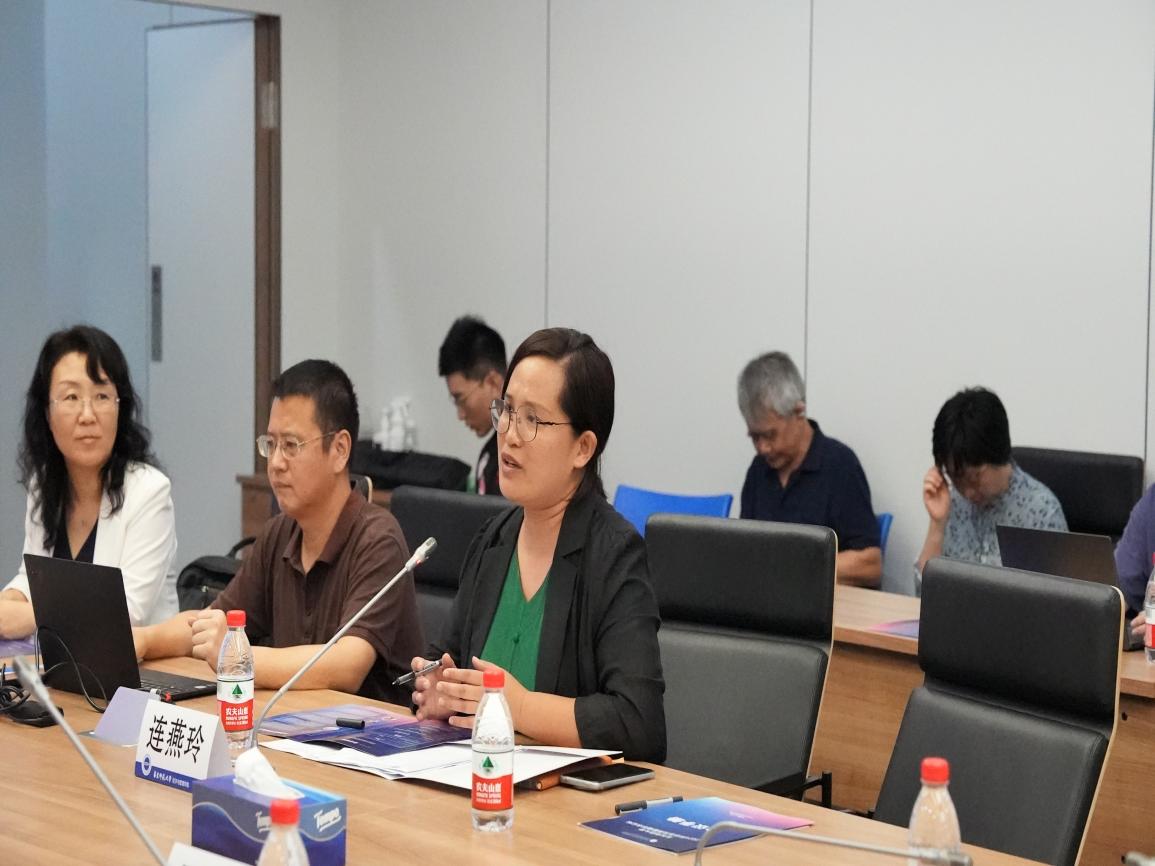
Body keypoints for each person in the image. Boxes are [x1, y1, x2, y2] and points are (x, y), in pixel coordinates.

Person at [412, 328, 666, 761]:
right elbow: (442, 663)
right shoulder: (493, 540)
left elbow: (639, 724)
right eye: (507, 410)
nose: (509, 434)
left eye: (532, 420)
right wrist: (437, 692)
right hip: (476, 776)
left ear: (583, 448)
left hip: (561, 796)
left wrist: (520, 707)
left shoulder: (614, 553)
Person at [135, 359, 423, 704]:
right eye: (270, 444)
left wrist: (239, 656)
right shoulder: (279, 534)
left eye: (291, 445)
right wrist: (143, 640)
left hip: (371, 732)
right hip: (290, 723)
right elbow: (210, 625)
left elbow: (347, 664)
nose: (275, 463)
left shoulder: (378, 539)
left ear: (339, 450)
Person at [0, 326, 178, 640]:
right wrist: (9, 601)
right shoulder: (44, 485)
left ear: (120, 408)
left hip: (137, 667)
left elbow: (126, 611)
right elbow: (32, 578)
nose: (87, 415)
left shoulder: (149, 492)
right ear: (47, 413)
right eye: (71, 397)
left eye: (101, 397)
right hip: (62, 662)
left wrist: (31, 615)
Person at [737, 351, 882, 587]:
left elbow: (870, 563)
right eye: (754, 437)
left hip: (822, 603)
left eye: (770, 435)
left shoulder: (840, 465)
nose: (762, 448)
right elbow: (745, 551)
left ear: (799, 412)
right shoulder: (758, 471)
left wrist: (794, 569)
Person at [916, 387, 1066, 591]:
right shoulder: (952, 503)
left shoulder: (1042, 512)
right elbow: (922, 594)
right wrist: (937, 524)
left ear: (999, 456)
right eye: (956, 478)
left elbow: (1062, 601)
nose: (967, 492)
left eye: (974, 478)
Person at [438, 316, 507, 496]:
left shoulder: (520, 457)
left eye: (461, 399)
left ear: (492, 383)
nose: (460, 415)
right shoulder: (488, 458)